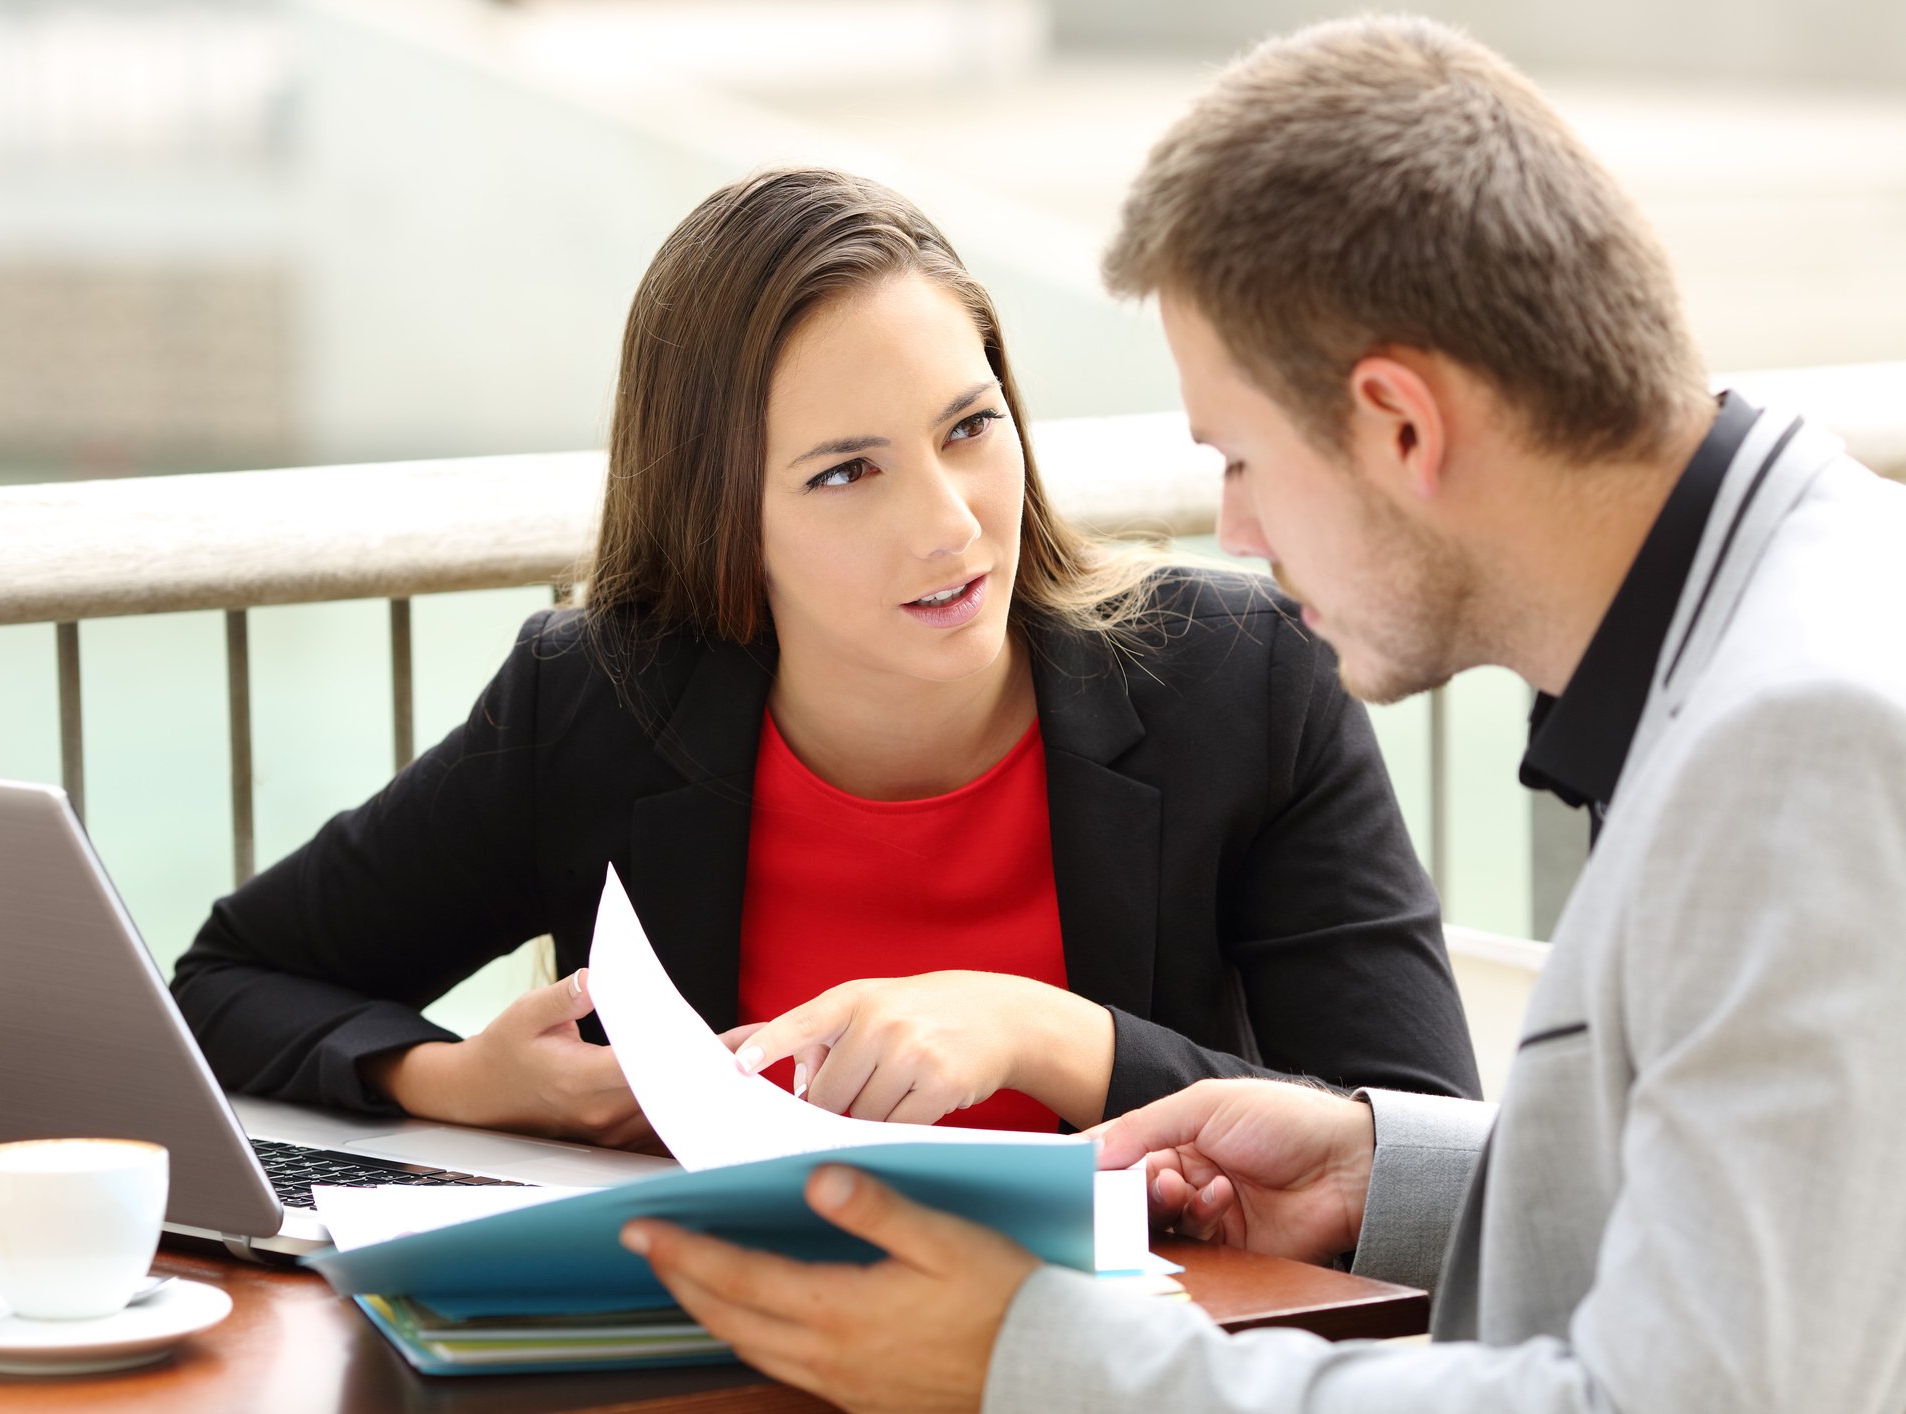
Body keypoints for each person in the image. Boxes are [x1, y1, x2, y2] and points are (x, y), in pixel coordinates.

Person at [618, 18, 1906, 1413]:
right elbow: (1782, 1212)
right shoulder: (1804, 607)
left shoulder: (1794, 746)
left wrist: (1032, 1363)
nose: (1234, 527)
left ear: (1397, 425)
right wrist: (1380, 1170)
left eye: (1240, 457)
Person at [169, 168, 1480, 1150]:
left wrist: (1048, 1035)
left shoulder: (1238, 682)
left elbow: (1426, 1152)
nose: (948, 521)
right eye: (845, 471)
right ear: (724, 519)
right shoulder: (598, 700)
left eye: (967, 427)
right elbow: (226, 981)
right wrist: (455, 1078)